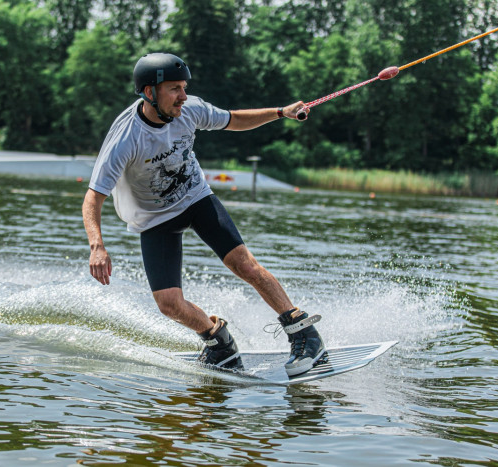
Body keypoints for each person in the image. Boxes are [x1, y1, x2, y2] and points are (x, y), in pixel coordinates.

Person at [82, 52, 325, 376]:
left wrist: (282, 112)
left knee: (244, 264)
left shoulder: (190, 109)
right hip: (155, 218)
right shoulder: (126, 138)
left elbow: (234, 119)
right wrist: (97, 245)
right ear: (149, 93)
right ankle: (218, 340)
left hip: (196, 198)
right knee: (169, 304)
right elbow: (92, 198)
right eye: (174, 89)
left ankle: (304, 334)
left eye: (184, 87)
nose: (183, 96)